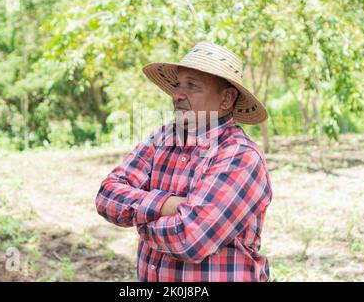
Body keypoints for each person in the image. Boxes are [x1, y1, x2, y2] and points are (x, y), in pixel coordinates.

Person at [96, 41, 273, 282]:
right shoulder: (162, 138)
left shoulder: (239, 155)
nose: (177, 94)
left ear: (226, 99)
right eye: (178, 85)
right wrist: (168, 205)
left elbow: (190, 238)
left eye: (192, 86)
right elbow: (106, 196)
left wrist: (138, 221)